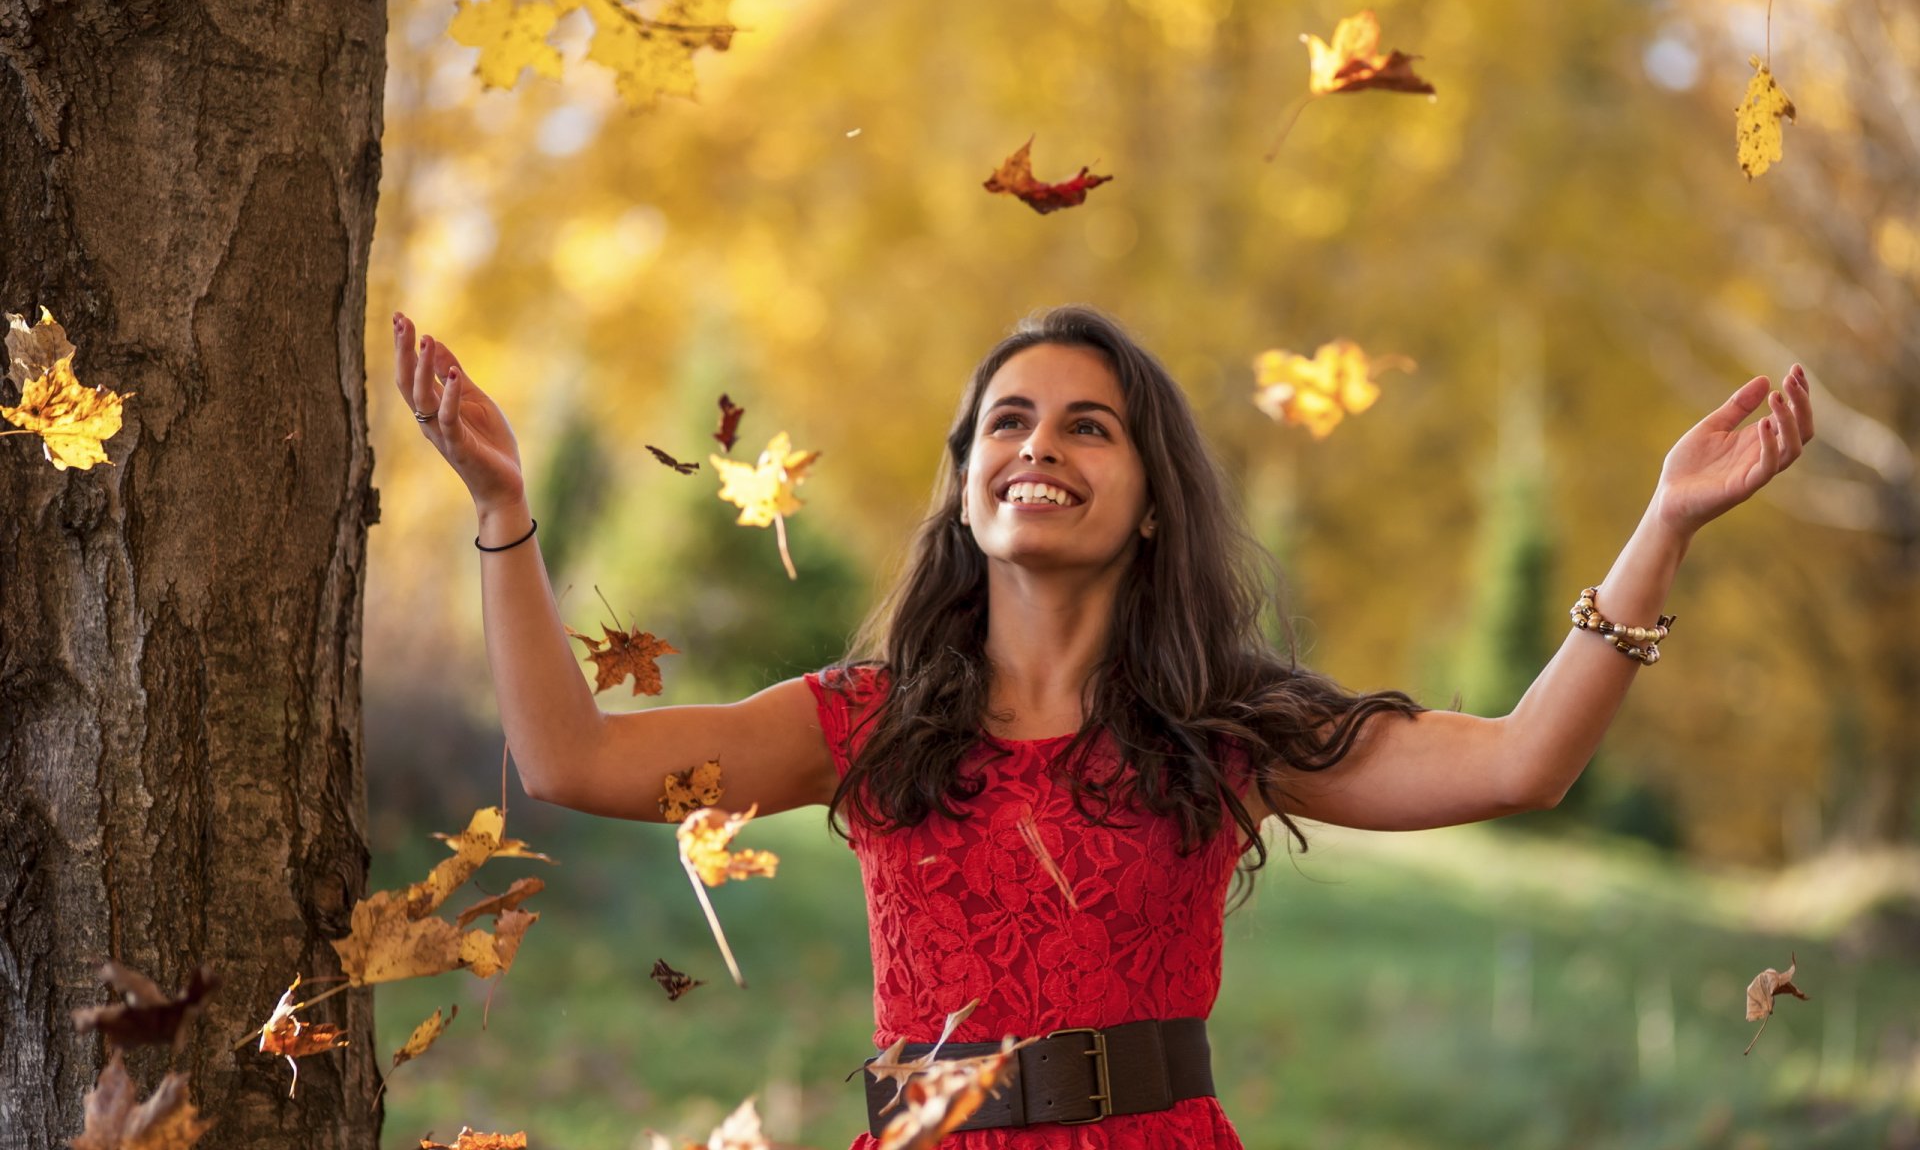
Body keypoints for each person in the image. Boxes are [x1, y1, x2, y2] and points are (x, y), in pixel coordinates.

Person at [392, 304, 1814, 1149]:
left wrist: (1663, 526)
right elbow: (574, 762)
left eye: (1089, 425)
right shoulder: (865, 721)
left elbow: (1520, 760)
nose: (1039, 447)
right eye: (1009, 422)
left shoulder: (1223, 724)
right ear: (965, 486)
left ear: (1149, 493)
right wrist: (506, 516)